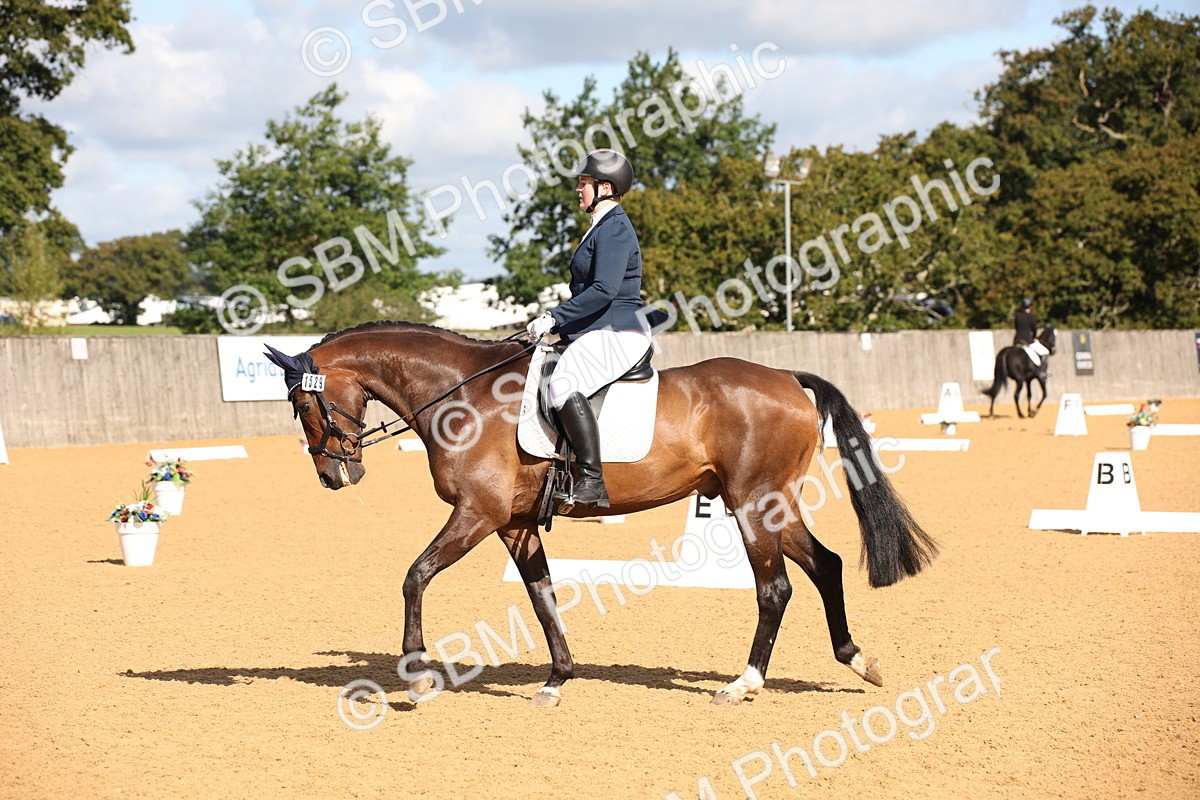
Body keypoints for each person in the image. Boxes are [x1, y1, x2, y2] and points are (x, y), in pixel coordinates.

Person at [525, 149, 652, 509]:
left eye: (583, 183)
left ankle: (592, 481)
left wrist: (554, 317)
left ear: (604, 187)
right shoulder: (600, 226)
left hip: (619, 332)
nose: (578, 190)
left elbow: (603, 291)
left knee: (563, 384)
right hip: (597, 330)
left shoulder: (615, 229)